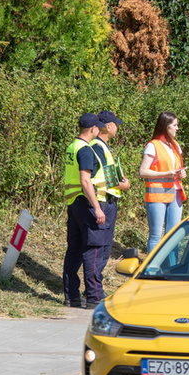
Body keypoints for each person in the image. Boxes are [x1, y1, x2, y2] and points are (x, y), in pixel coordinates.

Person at [62, 113, 107, 308]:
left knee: (74, 249)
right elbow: (85, 180)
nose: (99, 130)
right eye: (98, 127)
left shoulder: (73, 146)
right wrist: (97, 207)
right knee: (93, 249)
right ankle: (94, 296)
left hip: (73, 204)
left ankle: (71, 295)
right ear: (92, 130)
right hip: (86, 203)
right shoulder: (86, 150)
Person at [87, 110, 131, 306]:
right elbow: (106, 176)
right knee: (100, 249)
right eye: (116, 124)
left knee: (102, 248)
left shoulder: (101, 146)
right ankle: (94, 292)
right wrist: (122, 184)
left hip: (105, 200)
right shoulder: (98, 146)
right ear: (110, 126)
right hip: (104, 201)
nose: (118, 128)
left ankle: (95, 289)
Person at [140, 111, 187, 253]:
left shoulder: (175, 145)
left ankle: (171, 270)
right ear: (166, 126)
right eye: (175, 125)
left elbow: (176, 168)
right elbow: (143, 171)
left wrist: (181, 173)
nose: (177, 128)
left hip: (176, 194)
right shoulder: (153, 145)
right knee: (156, 236)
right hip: (157, 196)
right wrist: (166, 174)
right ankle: (151, 271)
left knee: (173, 235)